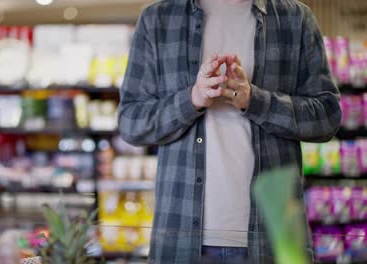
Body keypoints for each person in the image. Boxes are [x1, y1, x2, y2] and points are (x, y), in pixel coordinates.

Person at [118, 0, 341, 263]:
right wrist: (192, 99)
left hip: (274, 238)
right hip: (180, 242)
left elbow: (328, 116)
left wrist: (254, 101)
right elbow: (131, 121)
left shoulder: (296, 18)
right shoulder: (157, 19)